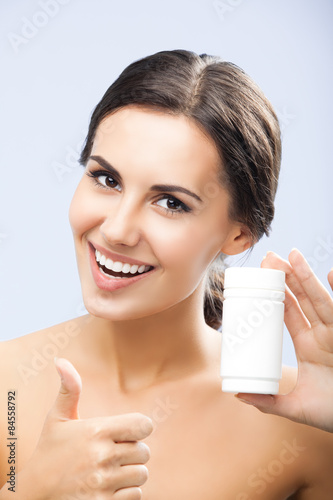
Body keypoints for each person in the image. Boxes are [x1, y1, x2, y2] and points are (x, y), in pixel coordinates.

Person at [0, 49, 332, 499]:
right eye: (107, 179)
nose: (116, 230)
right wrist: (29, 489)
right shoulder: (7, 389)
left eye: (171, 202)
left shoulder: (303, 421)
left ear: (240, 235)